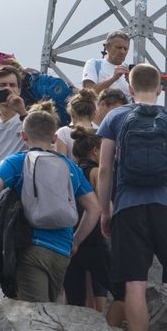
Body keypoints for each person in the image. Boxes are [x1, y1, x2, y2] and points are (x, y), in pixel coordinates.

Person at [96, 63, 167, 331]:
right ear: (159, 86)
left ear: (130, 83)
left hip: (128, 206)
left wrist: (104, 210)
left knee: (135, 282)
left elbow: (103, 169)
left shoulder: (115, 117)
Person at [0, 104, 101, 303]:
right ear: (54, 138)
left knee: (36, 320)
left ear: (23, 136)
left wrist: (1, 232)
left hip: (31, 247)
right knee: (53, 313)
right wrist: (76, 241)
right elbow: (94, 208)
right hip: (62, 250)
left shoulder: (18, 161)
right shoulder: (70, 166)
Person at [62, 124, 111, 311]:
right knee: (121, 289)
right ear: (96, 151)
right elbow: (105, 205)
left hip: (70, 237)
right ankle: (111, 330)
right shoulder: (96, 172)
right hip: (94, 238)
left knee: (75, 300)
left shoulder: (70, 173)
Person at [81, 30, 132, 97]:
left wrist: (133, 85)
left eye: (125, 49)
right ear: (107, 47)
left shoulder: (131, 71)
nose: (122, 51)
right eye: (118, 47)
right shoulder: (94, 64)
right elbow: (88, 93)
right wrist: (113, 78)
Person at [54, 88, 99, 159]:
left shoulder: (63, 133)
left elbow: (62, 164)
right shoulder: (101, 132)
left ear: (72, 114)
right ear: (93, 115)